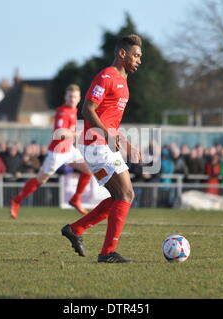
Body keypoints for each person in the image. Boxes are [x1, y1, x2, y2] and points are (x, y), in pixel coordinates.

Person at [61, 34, 143, 263]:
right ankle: (107, 253)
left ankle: (76, 229)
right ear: (122, 53)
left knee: (121, 196)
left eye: (140, 56)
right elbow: (87, 110)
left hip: (104, 145)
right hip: (95, 145)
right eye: (135, 55)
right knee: (125, 194)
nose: (139, 60)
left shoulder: (124, 84)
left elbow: (110, 121)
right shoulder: (106, 76)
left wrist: (126, 144)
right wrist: (106, 134)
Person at [10, 84, 92, 218]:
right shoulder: (62, 111)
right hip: (57, 153)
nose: (72, 99)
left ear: (79, 98)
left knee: (89, 169)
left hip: (70, 150)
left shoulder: (74, 110)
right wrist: (76, 133)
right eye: (70, 96)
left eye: (75, 97)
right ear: (65, 97)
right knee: (41, 180)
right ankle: (17, 199)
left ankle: (76, 199)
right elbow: (58, 133)